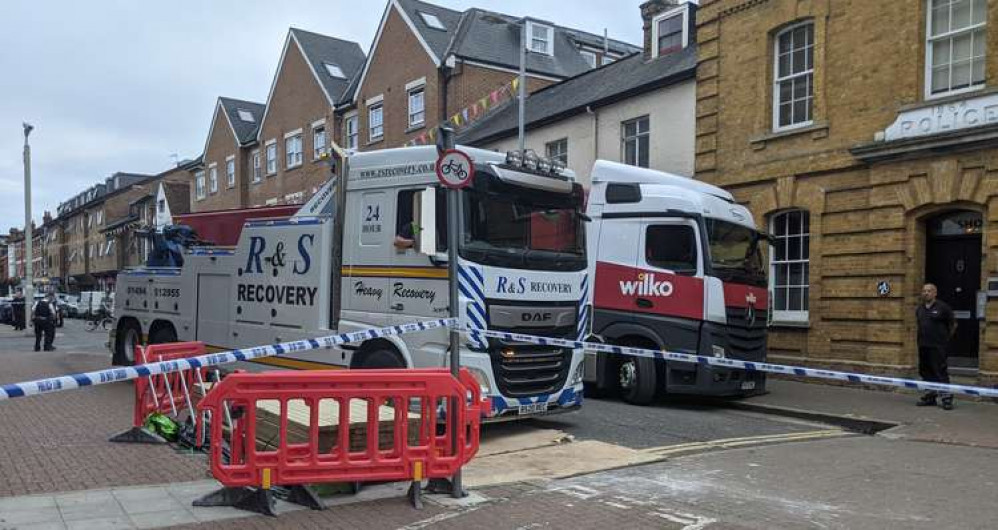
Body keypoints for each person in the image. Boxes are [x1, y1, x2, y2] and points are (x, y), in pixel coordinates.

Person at [915, 283, 956, 410]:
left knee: (940, 371)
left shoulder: (943, 308)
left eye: (929, 291)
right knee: (926, 371)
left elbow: (953, 324)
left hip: (938, 346)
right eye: (924, 291)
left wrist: (945, 339)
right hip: (923, 345)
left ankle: (946, 398)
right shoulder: (920, 309)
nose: (926, 293)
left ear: (935, 293)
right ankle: (930, 396)